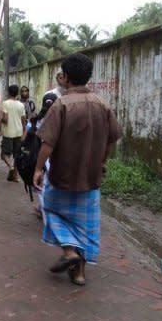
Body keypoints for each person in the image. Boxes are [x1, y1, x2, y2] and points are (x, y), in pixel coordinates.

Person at [33, 53, 122, 286]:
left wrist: (38, 169)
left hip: (62, 176)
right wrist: (102, 160)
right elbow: (112, 139)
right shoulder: (103, 105)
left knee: (50, 209)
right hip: (91, 178)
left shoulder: (61, 104)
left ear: (66, 77)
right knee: (85, 225)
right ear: (89, 76)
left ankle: (69, 252)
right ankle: (80, 273)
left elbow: (48, 143)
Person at [0, 85, 26, 182]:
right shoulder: (21, 105)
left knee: (4, 155)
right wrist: (24, 132)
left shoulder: (5, 103)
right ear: (17, 93)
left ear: (8, 92)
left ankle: (10, 167)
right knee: (16, 155)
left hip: (8, 133)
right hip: (18, 133)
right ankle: (15, 176)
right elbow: (24, 120)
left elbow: (5, 120)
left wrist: (0, 118)